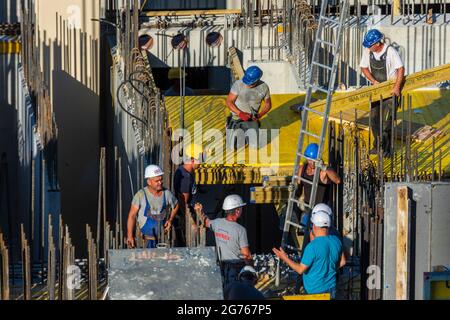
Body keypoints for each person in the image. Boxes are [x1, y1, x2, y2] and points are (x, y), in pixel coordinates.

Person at [273, 210, 345, 299]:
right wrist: (328, 269)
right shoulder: (336, 240)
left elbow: (300, 270)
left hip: (315, 292)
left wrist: (284, 257)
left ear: (314, 226)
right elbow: (343, 261)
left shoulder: (312, 247)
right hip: (331, 288)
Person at [360, 29, 405, 157]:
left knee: (388, 121)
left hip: (390, 90)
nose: (368, 47)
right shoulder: (368, 52)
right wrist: (373, 81)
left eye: (370, 45)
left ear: (377, 43)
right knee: (374, 119)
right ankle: (378, 145)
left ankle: (388, 149)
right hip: (377, 90)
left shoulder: (390, 51)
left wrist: (396, 87)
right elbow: (363, 67)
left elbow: (400, 69)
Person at [194, 194, 252, 287]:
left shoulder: (217, 223)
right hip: (236, 270)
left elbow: (205, 222)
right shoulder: (240, 230)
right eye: (241, 208)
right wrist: (251, 271)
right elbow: (246, 255)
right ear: (237, 211)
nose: (242, 210)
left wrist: (199, 211)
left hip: (223, 267)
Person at [126, 165, 179, 249]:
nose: (160, 182)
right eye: (156, 181)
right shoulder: (140, 195)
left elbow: (176, 206)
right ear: (149, 182)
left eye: (161, 179)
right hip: (144, 241)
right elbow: (131, 216)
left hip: (162, 241)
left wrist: (170, 220)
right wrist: (130, 236)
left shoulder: (167, 194)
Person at [226, 66, 271, 148]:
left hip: (251, 118)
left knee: (254, 146)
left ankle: (252, 128)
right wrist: (240, 114)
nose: (248, 84)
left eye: (251, 83)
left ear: (258, 79)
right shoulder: (238, 85)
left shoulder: (264, 87)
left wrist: (259, 115)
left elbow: (268, 104)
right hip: (237, 116)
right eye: (247, 82)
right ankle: (229, 125)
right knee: (232, 147)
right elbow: (229, 102)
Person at [173, 145, 203, 246]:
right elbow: (183, 203)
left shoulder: (183, 171)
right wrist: (191, 223)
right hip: (185, 219)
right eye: (199, 160)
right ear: (192, 160)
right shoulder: (185, 177)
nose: (201, 163)